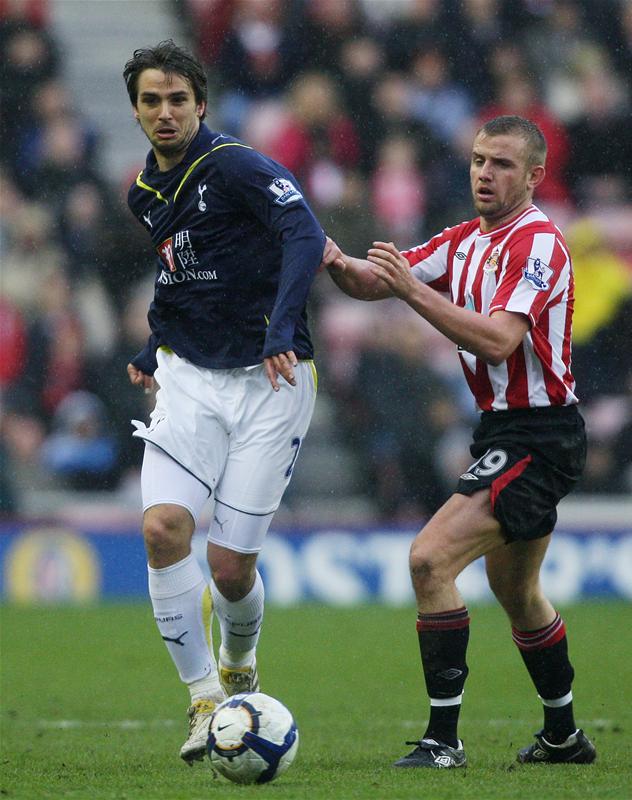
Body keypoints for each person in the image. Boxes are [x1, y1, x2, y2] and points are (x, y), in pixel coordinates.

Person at [321, 115, 596, 768]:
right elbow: (372, 281)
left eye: (500, 164)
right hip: (504, 432)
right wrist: (326, 253)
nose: (483, 172)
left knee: (429, 560)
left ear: (533, 176)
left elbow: (501, 338)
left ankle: (443, 741)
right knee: (518, 592)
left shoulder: (537, 245)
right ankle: (564, 736)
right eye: (477, 160)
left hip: (542, 435)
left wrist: (412, 291)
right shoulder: (464, 242)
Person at [122, 40, 324, 763]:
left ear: (200, 104)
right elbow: (179, 276)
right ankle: (206, 699)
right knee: (162, 529)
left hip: (270, 379)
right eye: (152, 100)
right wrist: (154, 345)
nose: (166, 112)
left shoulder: (235, 165)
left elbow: (305, 230)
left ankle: (242, 668)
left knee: (231, 569)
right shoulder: (142, 192)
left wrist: (280, 327)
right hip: (191, 378)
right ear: (137, 110)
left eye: (178, 99)